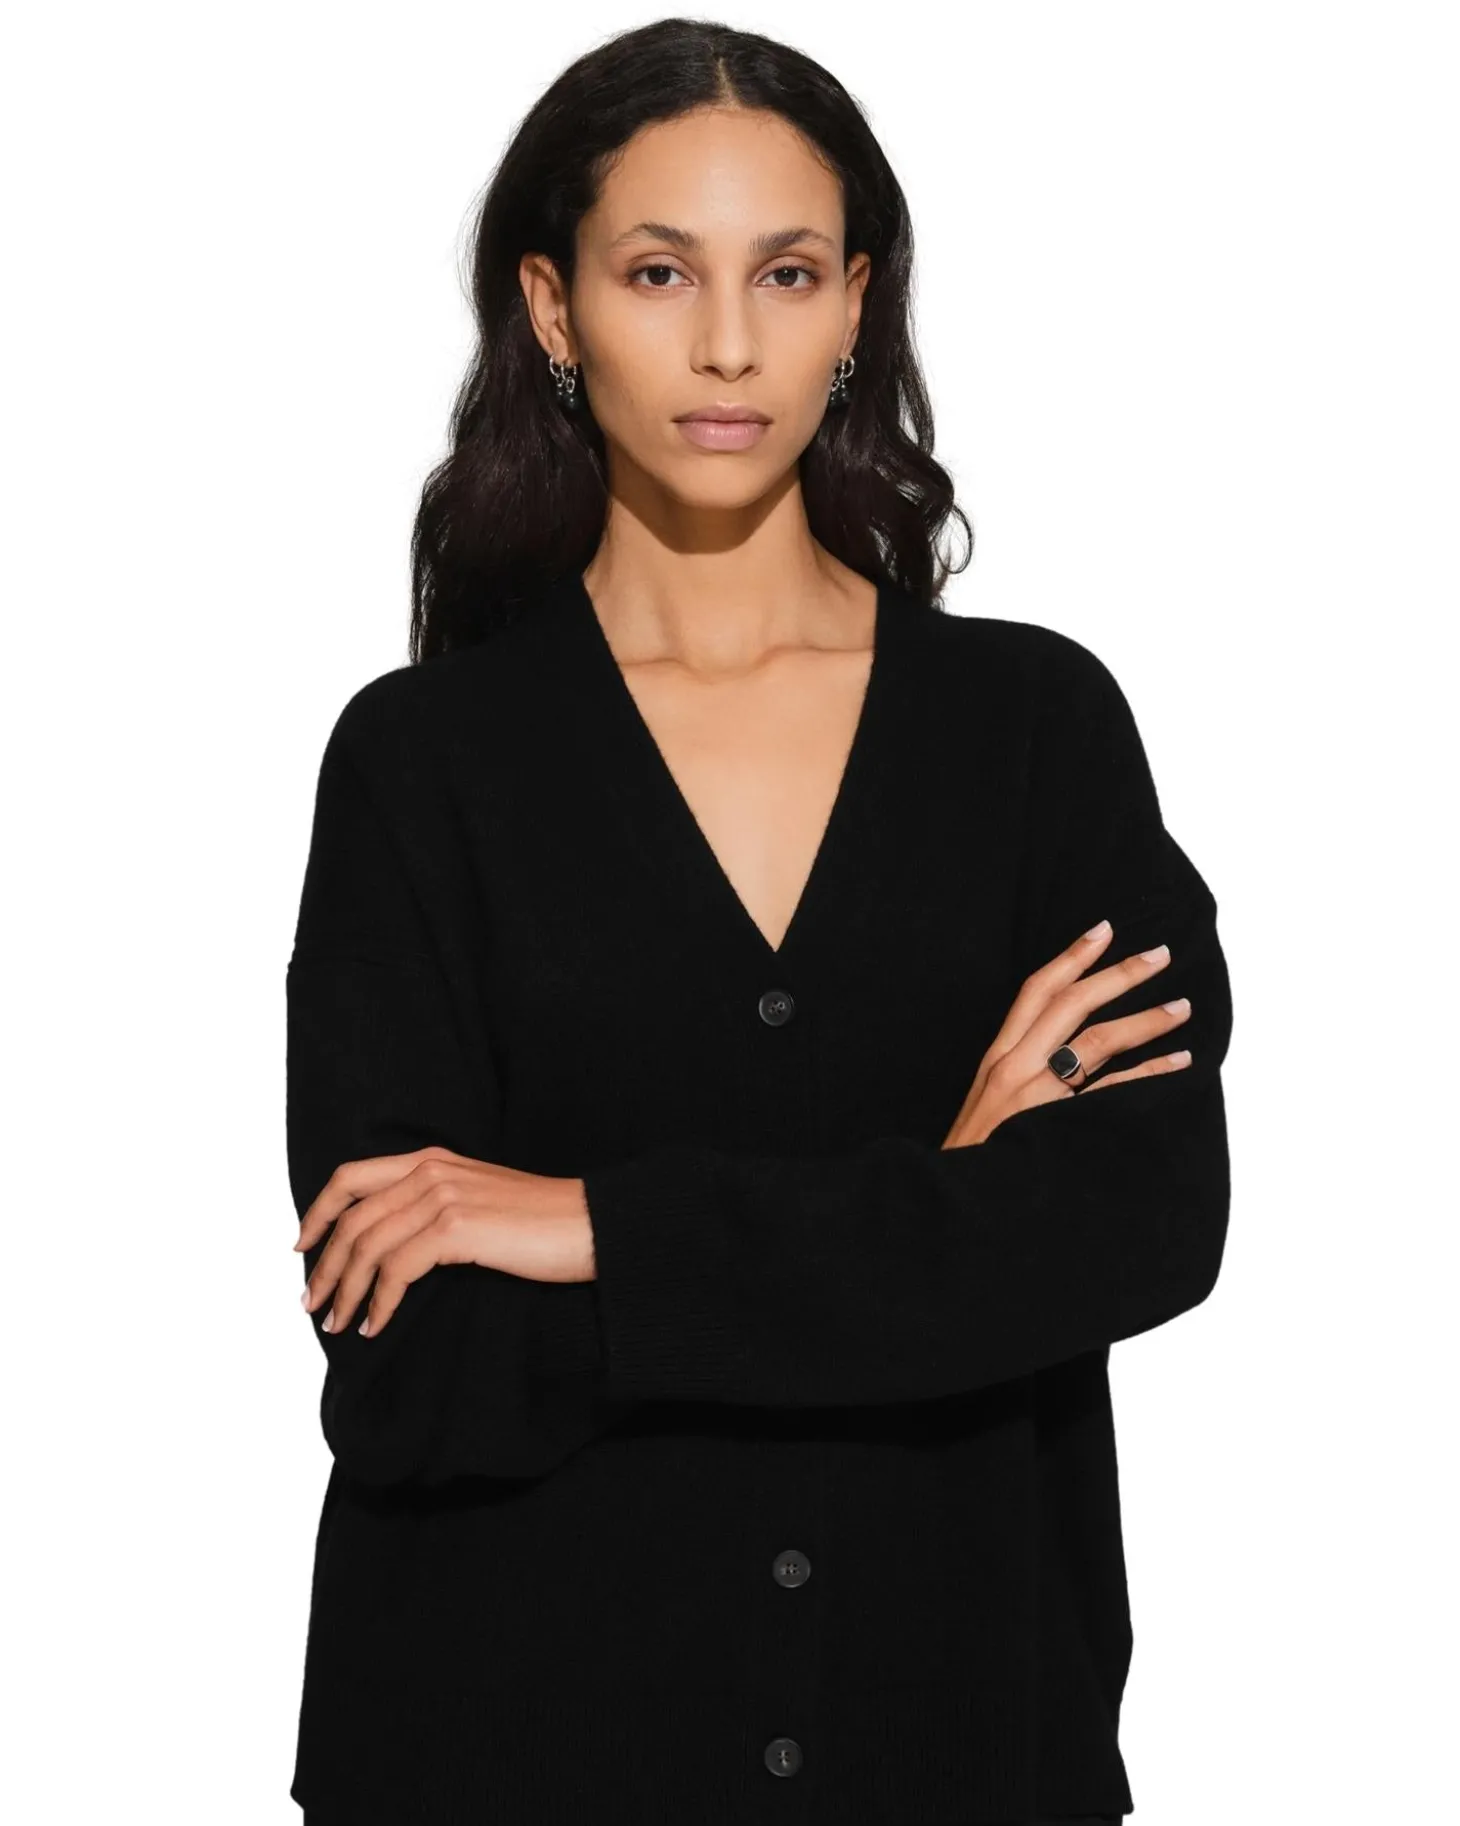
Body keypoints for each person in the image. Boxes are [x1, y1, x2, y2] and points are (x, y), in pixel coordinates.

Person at [284, 18, 1232, 1826]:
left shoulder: (1035, 734)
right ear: (553, 310)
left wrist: (587, 1227)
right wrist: (938, 1203)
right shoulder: (422, 765)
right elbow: (419, 1372)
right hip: (502, 1763)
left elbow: (1138, 1224)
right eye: (660, 273)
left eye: (786, 274)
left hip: (959, 1753)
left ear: (855, 304)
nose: (729, 344)